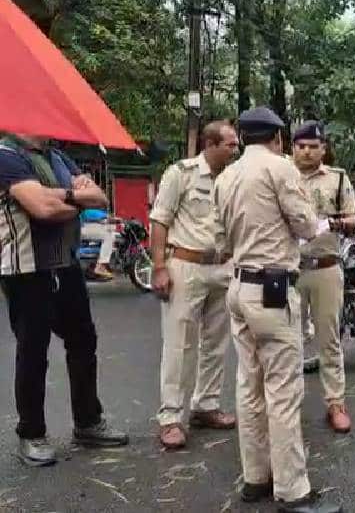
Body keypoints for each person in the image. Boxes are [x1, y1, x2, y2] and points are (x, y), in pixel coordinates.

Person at [214, 107, 341, 513]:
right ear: (278, 138)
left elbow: (221, 238)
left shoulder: (227, 175)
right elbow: (305, 226)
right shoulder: (279, 168)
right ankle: (293, 491)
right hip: (272, 288)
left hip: (239, 286)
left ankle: (256, 478)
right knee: (284, 392)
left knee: (248, 386)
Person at [0, 134, 129, 467]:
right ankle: (31, 434)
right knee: (33, 349)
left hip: (65, 263)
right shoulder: (6, 155)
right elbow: (42, 209)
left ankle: (87, 422)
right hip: (26, 267)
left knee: (83, 340)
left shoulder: (58, 157)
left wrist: (62, 197)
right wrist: (75, 197)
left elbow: (99, 198)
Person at [149, 120, 239, 450]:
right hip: (185, 264)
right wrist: (159, 267)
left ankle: (206, 405)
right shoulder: (182, 173)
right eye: (230, 144)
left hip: (222, 267)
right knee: (180, 342)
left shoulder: (232, 178)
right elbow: (160, 220)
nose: (235, 149)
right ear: (211, 144)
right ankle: (171, 416)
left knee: (216, 341)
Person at [291, 120, 355, 434]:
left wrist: (332, 223)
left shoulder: (338, 178)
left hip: (326, 267)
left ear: (323, 149)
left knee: (329, 340)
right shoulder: (282, 176)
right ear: (293, 148)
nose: (306, 152)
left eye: (313, 146)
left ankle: (336, 403)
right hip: (289, 269)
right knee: (287, 340)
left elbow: (354, 218)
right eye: (300, 146)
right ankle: (288, 404)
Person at [80, 207, 115, 280]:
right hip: (79, 228)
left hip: (80, 227)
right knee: (108, 235)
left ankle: (94, 267)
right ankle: (100, 266)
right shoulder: (90, 209)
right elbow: (88, 214)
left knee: (108, 232)